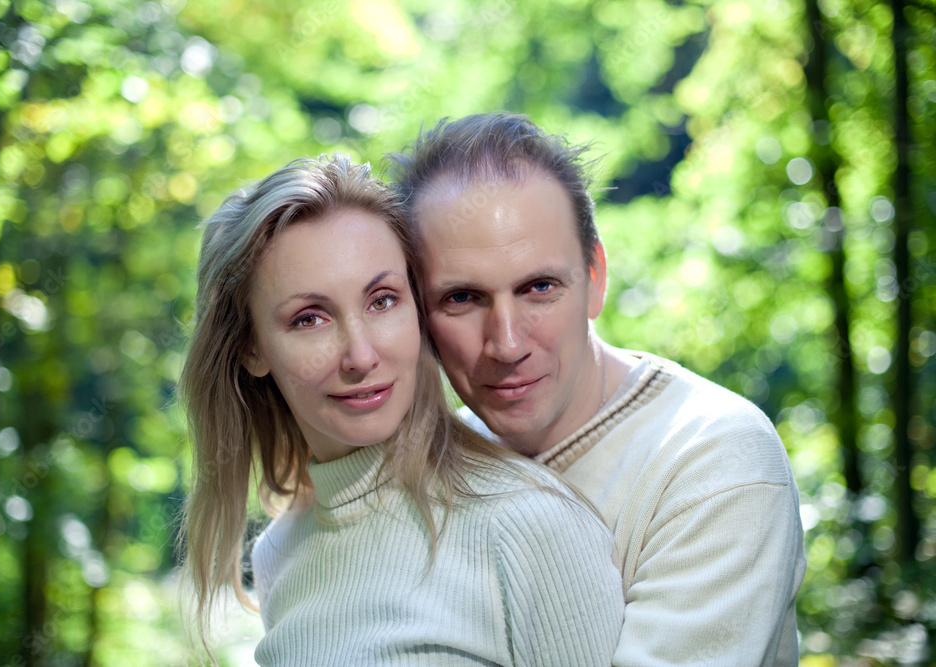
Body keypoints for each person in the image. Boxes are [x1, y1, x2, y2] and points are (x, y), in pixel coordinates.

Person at [390, 113, 807, 667]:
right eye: (463, 298)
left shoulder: (713, 458)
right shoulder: (430, 467)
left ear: (595, 278)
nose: (508, 343)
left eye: (539, 288)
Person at [178, 153, 624, 666]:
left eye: (382, 300)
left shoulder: (529, 525)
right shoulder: (279, 552)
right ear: (250, 348)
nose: (361, 356)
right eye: (309, 319)